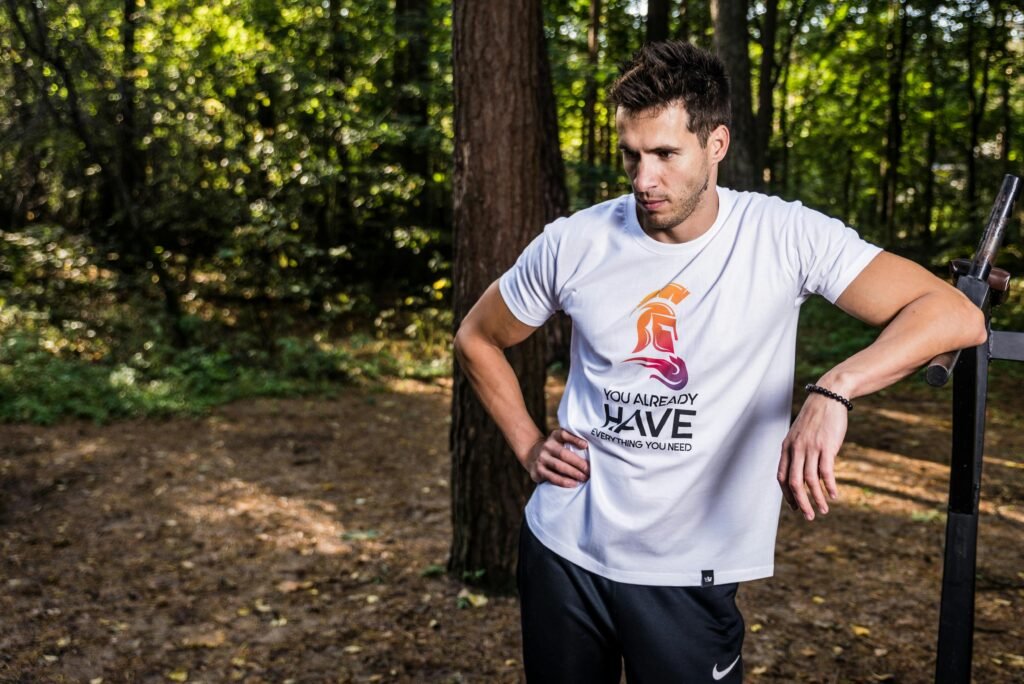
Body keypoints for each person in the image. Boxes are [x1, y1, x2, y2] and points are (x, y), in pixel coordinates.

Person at [453, 41, 985, 683]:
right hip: (563, 551)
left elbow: (954, 313)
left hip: (688, 572)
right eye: (631, 154)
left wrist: (834, 388)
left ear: (716, 145)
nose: (643, 179)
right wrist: (528, 443)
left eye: (666, 155)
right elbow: (477, 337)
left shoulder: (783, 237)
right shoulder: (575, 242)